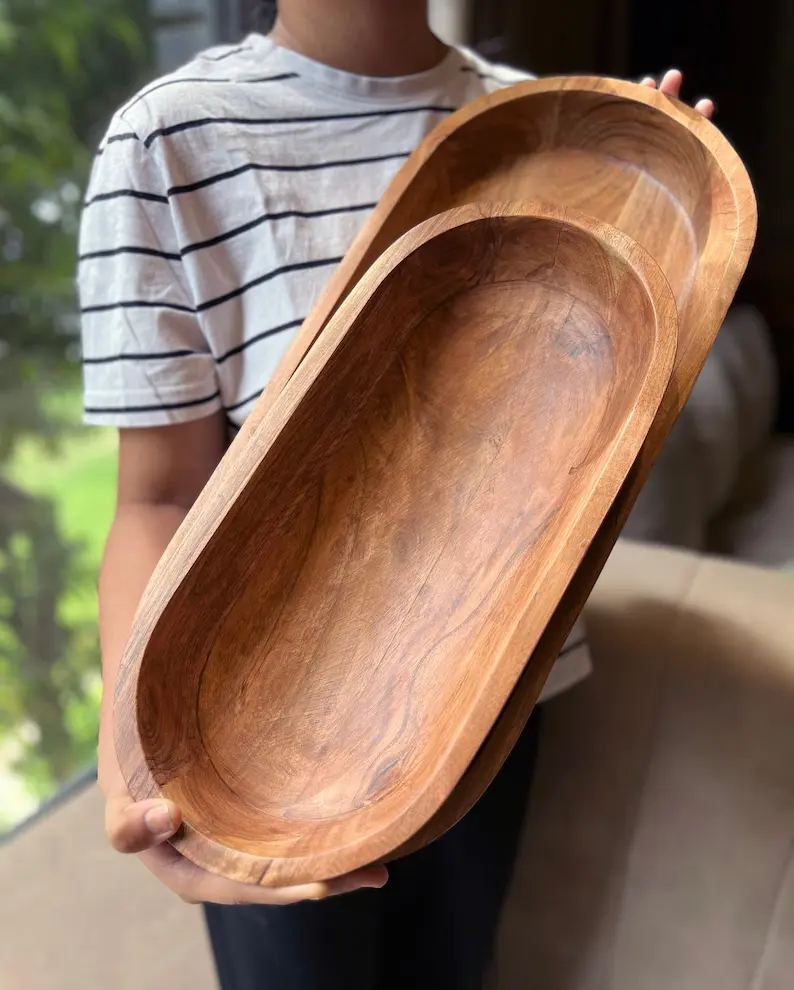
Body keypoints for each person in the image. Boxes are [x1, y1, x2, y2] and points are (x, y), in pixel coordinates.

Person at [78, 2, 713, 987]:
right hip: (270, 729)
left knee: (458, 968)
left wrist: (668, 205)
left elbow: (593, 453)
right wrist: (137, 761)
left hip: (499, 690)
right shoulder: (168, 143)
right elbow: (155, 500)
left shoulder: (540, 123)